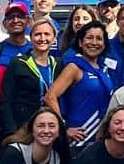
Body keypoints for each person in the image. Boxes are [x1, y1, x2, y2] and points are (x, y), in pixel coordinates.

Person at [45, 21, 115, 152]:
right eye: (89, 38)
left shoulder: (104, 70)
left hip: (99, 139)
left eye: (99, 38)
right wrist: (63, 128)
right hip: (78, 140)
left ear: (104, 44)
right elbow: (50, 97)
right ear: (80, 43)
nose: (94, 42)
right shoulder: (74, 67)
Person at [0, 18, 59, 135]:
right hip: (23, 128)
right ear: (31, 38)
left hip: (50, 128)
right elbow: (6, 100)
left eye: (47, 34)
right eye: (38, 34)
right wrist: (12, 131)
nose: (42, 38)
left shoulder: (58, 65)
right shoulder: (18, 63)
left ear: (54, 38)